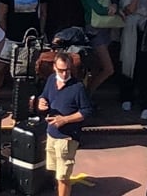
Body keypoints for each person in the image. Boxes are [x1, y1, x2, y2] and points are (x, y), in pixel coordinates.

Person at [38, 51, 94, 196]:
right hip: (51, 134)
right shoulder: (51, 80)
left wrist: (65, 119)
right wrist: (41, 103)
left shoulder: (78, 87)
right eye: (61, 70)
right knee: (56, 172)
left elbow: (86, 111)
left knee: (63, 176)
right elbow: (44, 97)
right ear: (55, 68)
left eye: (67, 70)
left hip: (67, 138)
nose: (64, 74)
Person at [78, 0, 119, 91]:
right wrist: (109, 10)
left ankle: (88, 95)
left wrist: (114, 5)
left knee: (96, 67)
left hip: (106, 27)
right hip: (94, 29)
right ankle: (86, 95)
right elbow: (95, 8)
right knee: (108, 68)